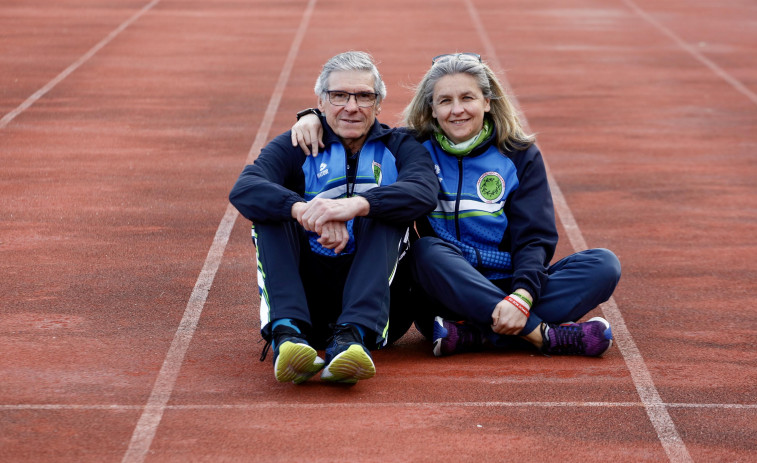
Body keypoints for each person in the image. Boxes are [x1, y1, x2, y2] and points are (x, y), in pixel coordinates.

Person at [291, 52, 621, 359]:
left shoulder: (518, 154)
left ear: (487, 103)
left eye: (467, 98)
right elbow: (361, 131)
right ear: (431, 109)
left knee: (603, 265)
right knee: (426, 252)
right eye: (445, 101)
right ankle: (541, 334)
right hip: (444, 289)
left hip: (509, 279)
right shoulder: (413, 147)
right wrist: (313, 117)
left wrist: (521, 296)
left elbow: (534, 238)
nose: (456, 110)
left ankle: (474, 336)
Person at [229, 51, 438, 385]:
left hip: (382, 306)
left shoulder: (401, 146)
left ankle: (352, 338)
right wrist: (303, 211)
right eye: (339, 95)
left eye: (363, 96)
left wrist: (354, 206)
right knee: (270, 213)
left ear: (378, 104)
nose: (351, 106)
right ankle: (289, 335)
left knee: (388, 212)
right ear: (321, 102)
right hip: (310, 298)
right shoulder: (299, 144)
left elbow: (424, 191)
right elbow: (245, 188)